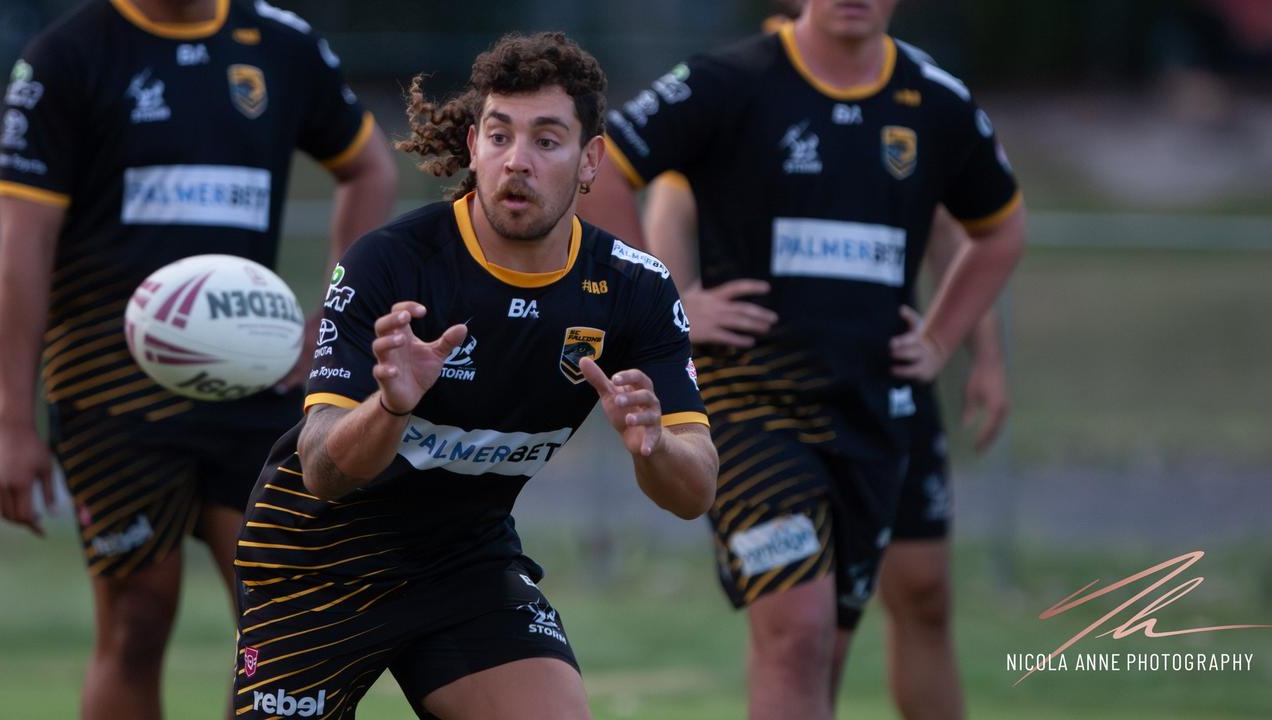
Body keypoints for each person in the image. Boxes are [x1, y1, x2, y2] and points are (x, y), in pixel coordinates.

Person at [230, 31, 717, 720]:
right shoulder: (392, 265)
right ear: (473, 147)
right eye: (498, 136)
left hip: (463, 561)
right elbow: (321, 470)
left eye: (547, 141)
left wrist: (656, 445)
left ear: (590, 161)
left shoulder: (633, 289)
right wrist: (391, 407)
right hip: (317, 560)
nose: (517, 161)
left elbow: (695, 491)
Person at [582, 0, 1027, 717]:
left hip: (875, 411)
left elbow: (1000, 228)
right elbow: (600, 170)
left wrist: (945, 338)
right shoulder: (726, 80)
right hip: (750, 404)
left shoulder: (935, 99)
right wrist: (668, 299)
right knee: (798, 634)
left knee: (834, 645)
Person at [0, 1, 396, 718]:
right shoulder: (68, 57)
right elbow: (23, 246)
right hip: (110, 390)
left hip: (257, 383)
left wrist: (329, 323)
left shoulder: (279, 44)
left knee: (284, 620)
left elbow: (368, 168)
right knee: (138, 619)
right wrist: (13, 423)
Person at [643, 172, 1008, 718]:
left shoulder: (912, 98)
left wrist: (985, 355)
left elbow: (954, 224)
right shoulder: (740, 93)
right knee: (805, 633)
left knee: (924, 591)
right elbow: (670, 197)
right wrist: (678, 306)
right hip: (773, 400)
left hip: (892, 382)